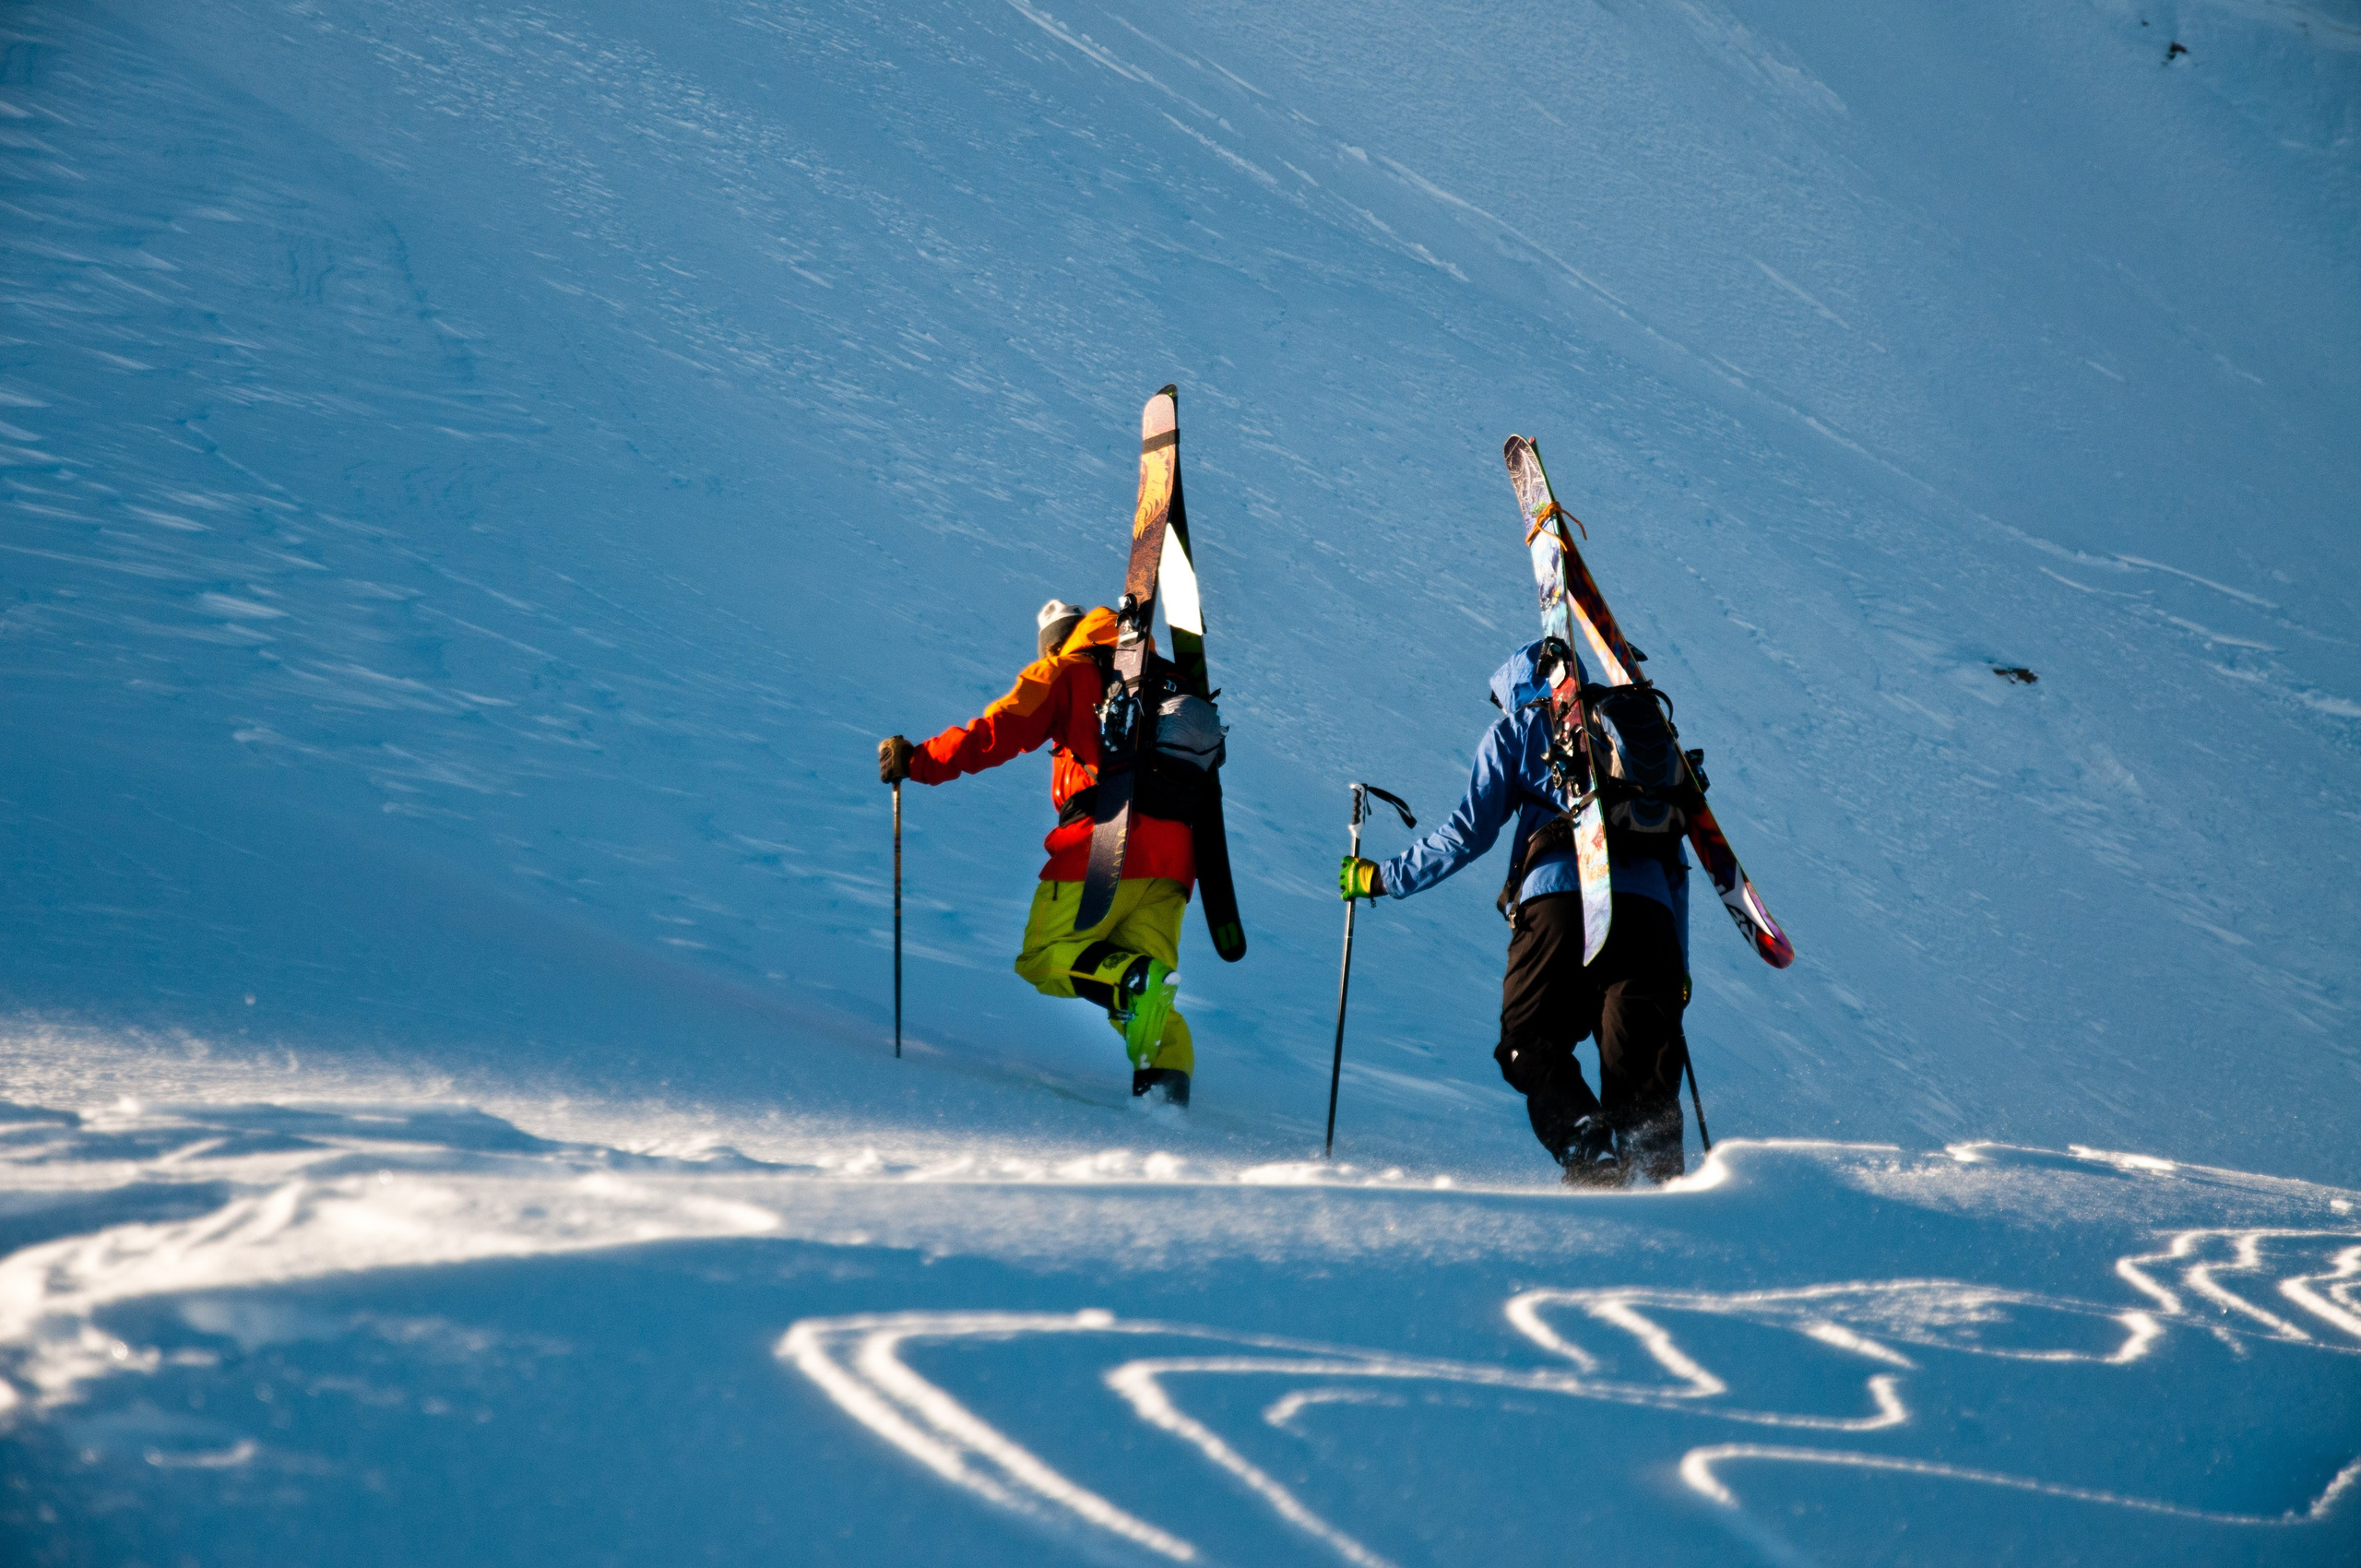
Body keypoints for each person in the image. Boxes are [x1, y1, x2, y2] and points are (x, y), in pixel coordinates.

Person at [1339, 638, 1692, 1185]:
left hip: (1559, 902)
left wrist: (1383, 877)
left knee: (1528, 1041)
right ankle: (1663, 1185)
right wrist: (1678, 965)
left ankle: (1588, 1148)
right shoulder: (1638, 741)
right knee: (1640, 1072)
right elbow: (1676, 857)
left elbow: (1468, 833)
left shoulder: (1522, 728)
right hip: (1650, 917)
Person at [879, 600, 1197, 1106]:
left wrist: (919, 761)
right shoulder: (1166, 681)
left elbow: (1000, 730)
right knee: (1146, 996)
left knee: (1045, 956)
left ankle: (1133, 981)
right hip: (1174, 861)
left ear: (1053, 644)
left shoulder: (1066, 671)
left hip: (1102, 843)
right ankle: (1167, 1102)